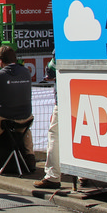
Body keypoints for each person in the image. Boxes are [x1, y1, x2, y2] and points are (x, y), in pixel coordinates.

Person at [35, 53, 63, 190]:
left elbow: (51, 70)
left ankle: (53, 176)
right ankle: (83, 175)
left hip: (64, 99)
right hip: (86, 92)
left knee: (55, 136)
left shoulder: (62, 47)